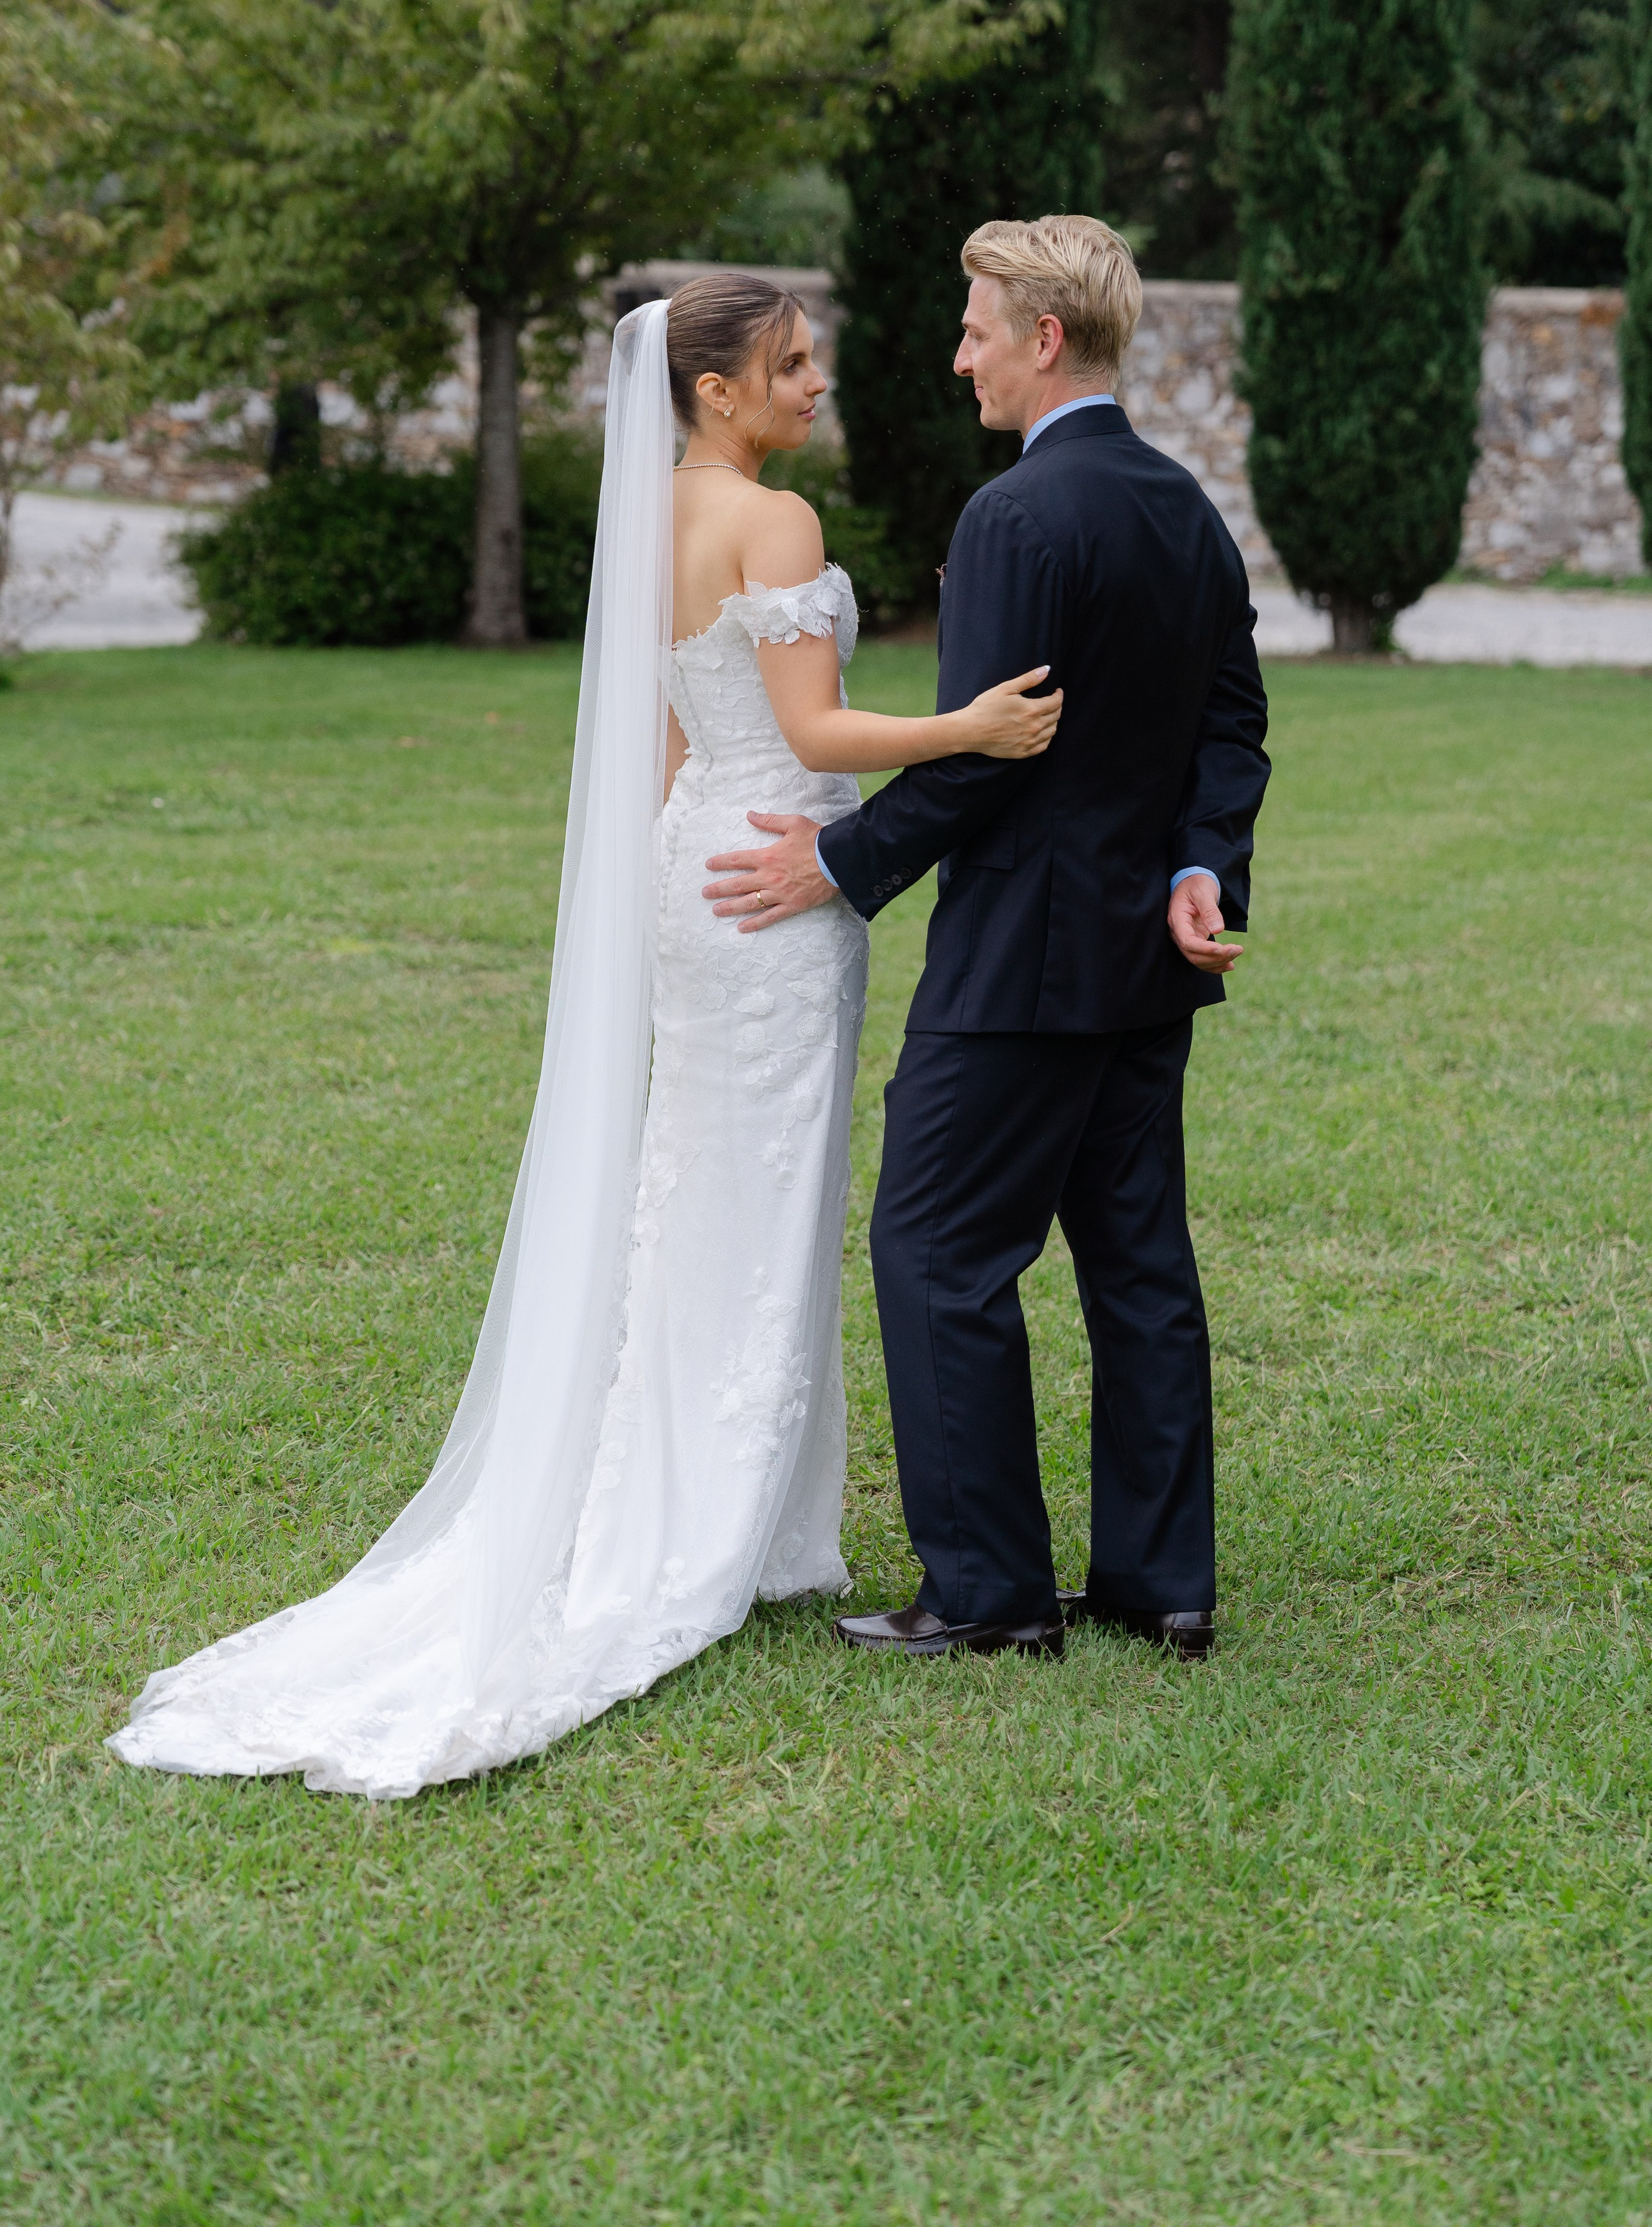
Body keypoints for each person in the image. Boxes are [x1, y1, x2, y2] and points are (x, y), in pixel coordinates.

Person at [105, 272, 1060, 1797]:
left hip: (700, 870)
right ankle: (703, 1521)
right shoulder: (774, 526)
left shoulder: (657, 521)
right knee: (756, 1202)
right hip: (776, 890)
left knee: (701, 1189)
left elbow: (678, 738)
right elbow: (813, 739)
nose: (816, 384)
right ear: (715, 391)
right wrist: (967, 730)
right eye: (790, 365)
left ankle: (726, 1504)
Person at [704, 216, 1271, 1663]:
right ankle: (1161, 1585)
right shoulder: (1183, 508)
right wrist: (1204, 864)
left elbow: (982, 754)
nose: (954, 355)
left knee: (934, 1248)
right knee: (1137, 1267)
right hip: (1145, 966)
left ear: (1041, 340)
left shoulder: (1013, 518)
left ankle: (986, 1594)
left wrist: (836, 856)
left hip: (1017, 964)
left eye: (971, 330)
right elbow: (1229, 724)